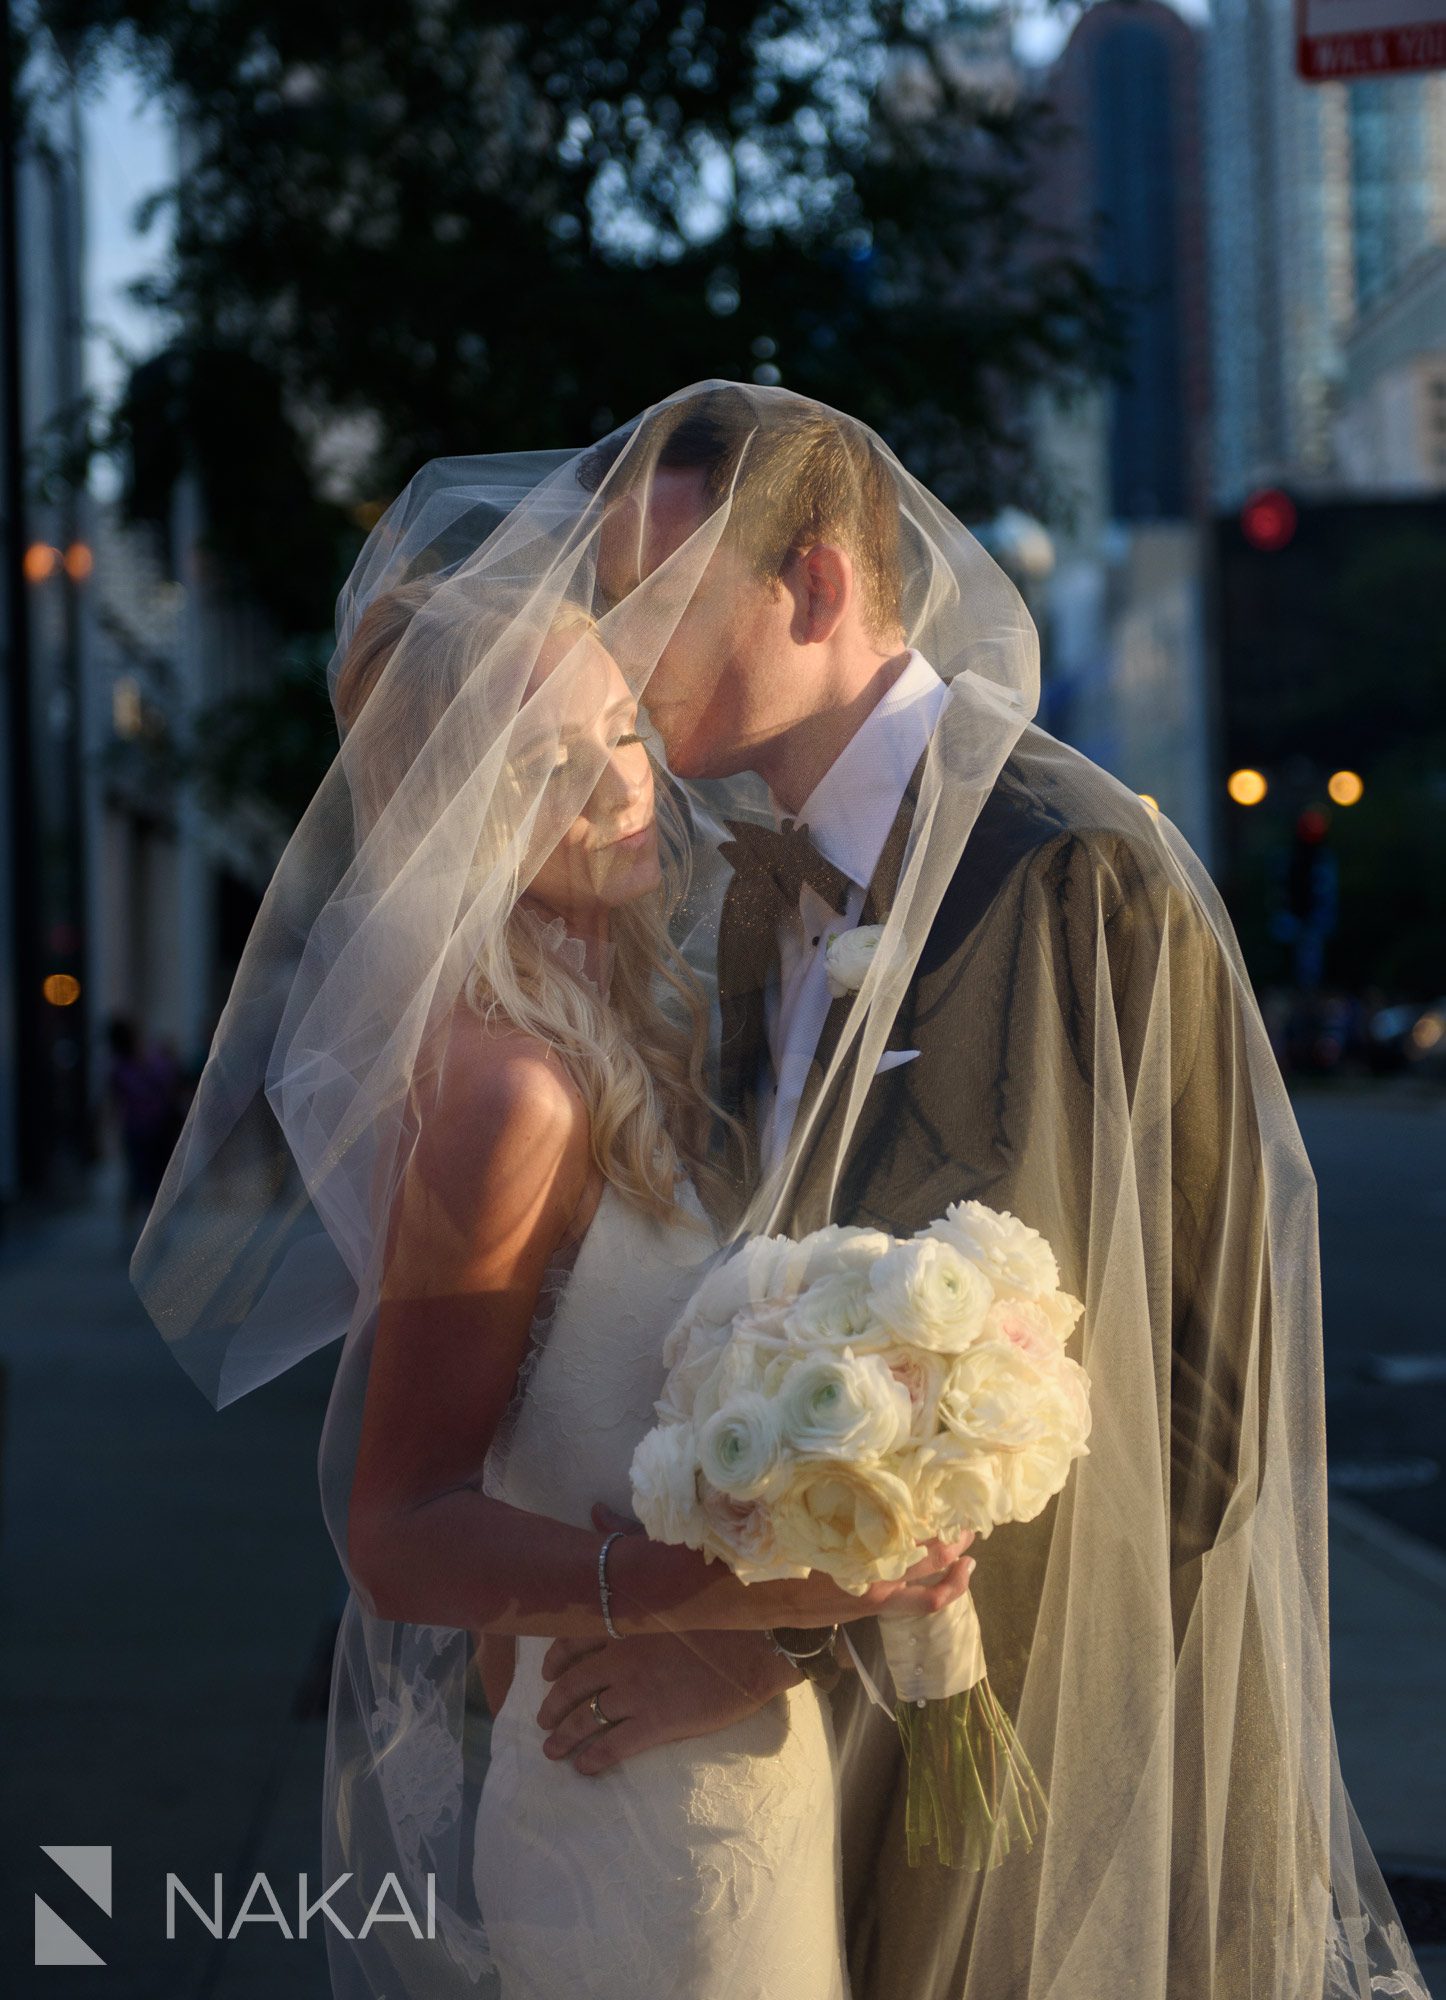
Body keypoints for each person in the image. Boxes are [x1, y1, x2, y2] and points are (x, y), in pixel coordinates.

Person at [129, 385, 1428, 2000]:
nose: (612, 633)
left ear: (809, 588)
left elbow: (1198, 1405)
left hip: (1003, 1769)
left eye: (650, 594)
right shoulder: (747, 902)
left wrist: (794, 1642)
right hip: (731, 1792)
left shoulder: (1065, 865)